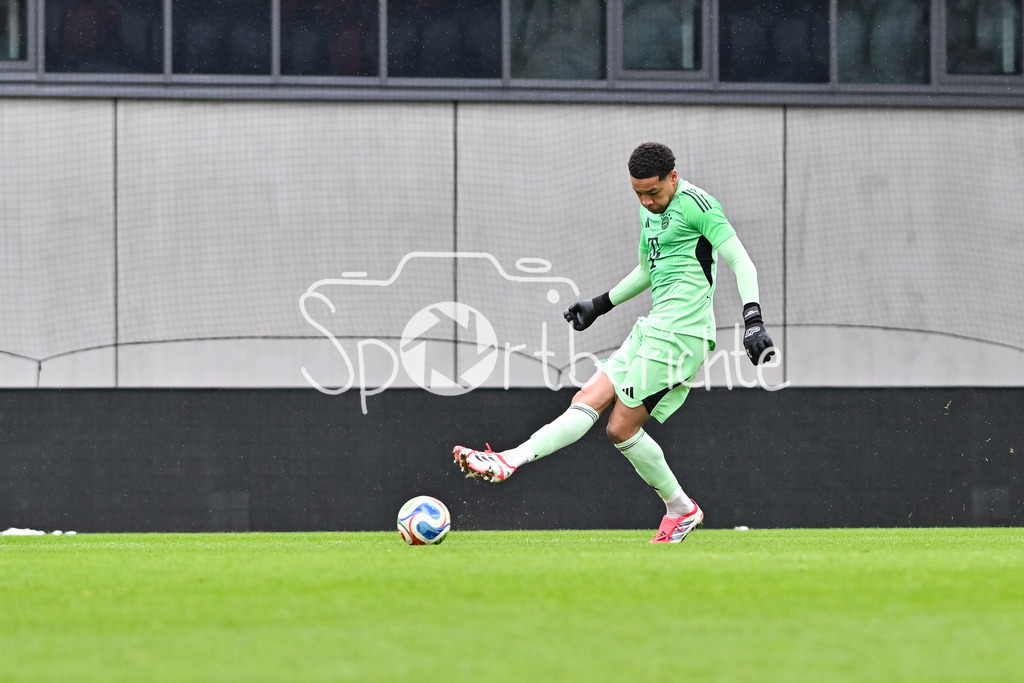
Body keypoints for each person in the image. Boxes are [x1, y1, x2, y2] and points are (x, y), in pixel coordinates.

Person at [453, 142, 775, 544]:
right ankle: (509, 460)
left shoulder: (699, 205)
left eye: (653, 192)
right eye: (637, 192)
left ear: (673, 178)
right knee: (588, 400)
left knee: (620, 425)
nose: (645, 201)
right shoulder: (648, 208)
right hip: (655, 327)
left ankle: (681, 508)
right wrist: (599, 304)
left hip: (683, 334)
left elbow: (742, 260)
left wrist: (753, 319)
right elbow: (647, 270)